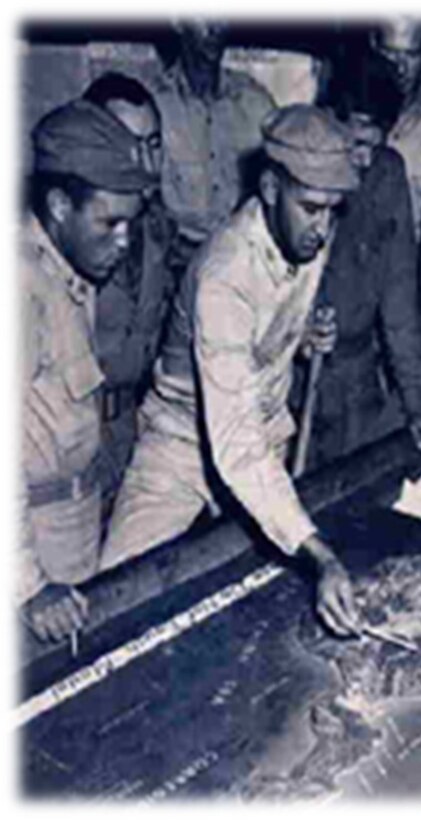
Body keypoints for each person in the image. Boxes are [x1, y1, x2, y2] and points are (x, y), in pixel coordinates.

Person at [102, 105, 362, 636]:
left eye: (334, 210)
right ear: (269, 188)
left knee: (261, 620)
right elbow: (233, 443)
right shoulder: (224, 272)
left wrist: (301, 333)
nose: (323, 227)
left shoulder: (306, 229)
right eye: (312, 208)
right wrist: (321, 555)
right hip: (181, 446)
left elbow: (267, 321)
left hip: (261, 438)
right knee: (115, 609)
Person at [21, 100, 153, 642]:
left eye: (131, 223)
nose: (123, 242)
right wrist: (27, 586)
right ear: (58, 205)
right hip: (31, 538)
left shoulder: (70, 268)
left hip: (75, 514)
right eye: (110, 223)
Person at [306, 50, 421, 469]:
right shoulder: (298, 175)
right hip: (294, 385)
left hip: (357, 380)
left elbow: (398, 301)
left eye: (374, 145)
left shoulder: (386, 176)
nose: (364, 160)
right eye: (355, 144)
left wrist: (415, 403)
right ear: (328, 119)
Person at [82, 73, 178, 526]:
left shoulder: (159, 228)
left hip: (130, 428)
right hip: (71, 439)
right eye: (127, 143)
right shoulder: (70, 239)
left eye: (153, 144)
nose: (144, 161)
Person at [152, 18, 275, 270]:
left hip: (242, 265)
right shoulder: (155, 106)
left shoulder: (256, 103)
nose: (215, 27)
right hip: (174, 267)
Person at [371, 18, 421, 240]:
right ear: (373, 44)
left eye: (411, 54)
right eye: (390, 53)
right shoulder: (344, 108)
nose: (400, 67)